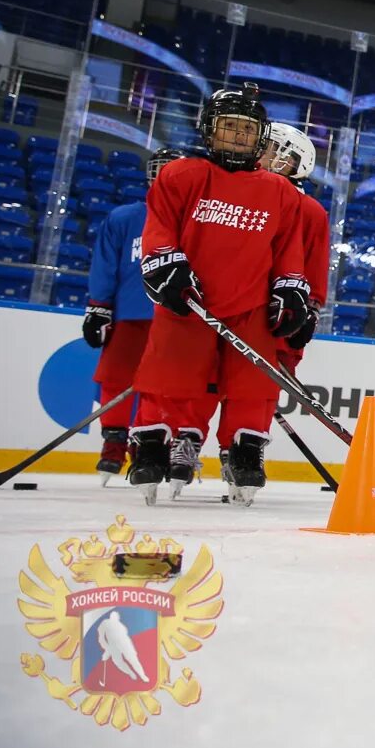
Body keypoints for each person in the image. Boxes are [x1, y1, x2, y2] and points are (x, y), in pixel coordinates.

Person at [126, 84, 310, 505]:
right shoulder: (181, 175)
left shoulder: (280, 191)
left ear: (260, 136)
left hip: (251, 307)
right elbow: (159, 229)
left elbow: (287, 250)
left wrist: (291, 289)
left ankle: (245, 453)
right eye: (230, 127)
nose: (240, 137)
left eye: (247, 130)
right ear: (209, 130)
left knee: (252, 385)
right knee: (168, 375)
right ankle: (153, 447)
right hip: (189, 299)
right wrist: (164, 263)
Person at [84, 147, 187, 485]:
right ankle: (113, 446)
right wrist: (99, 307)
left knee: (168, 387)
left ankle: (155, 447)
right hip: (131, 314)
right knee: (116, 379)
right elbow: (105, 265)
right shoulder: (125, 218)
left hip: (175, 317)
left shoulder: (192, 221)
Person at [258, 122, 328, 374]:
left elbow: (315, 267)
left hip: (276, 319)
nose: (259, 152)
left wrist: (311, 310)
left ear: (289, 159)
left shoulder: (310, 210)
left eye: (267, 147)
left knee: (251, 405)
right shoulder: (245, 193)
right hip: (234, 312)